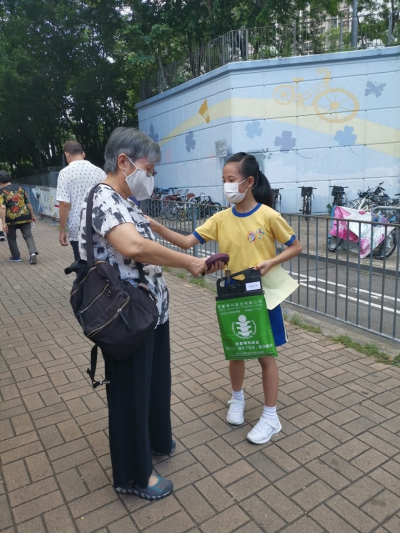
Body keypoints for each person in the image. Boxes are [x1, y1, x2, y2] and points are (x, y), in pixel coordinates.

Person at [78, 127, 218, 500]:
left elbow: (149, 239)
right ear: (123, 161)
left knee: (154, 383)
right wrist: (188, 262)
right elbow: (134, 247)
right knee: (130, 394)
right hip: (126, 317)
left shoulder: (125, 201)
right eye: (148, 169)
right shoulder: (104, 197)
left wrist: (188, 252)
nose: (151, 177)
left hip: (149, 311)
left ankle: (156, 441)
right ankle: (133, 476)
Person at [148, 152, 302, 445]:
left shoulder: (269, 216)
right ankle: (237, 398)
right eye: (224, 180)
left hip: (264, 296)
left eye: (231, 179)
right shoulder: (220, 219)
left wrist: (272, 261)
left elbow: (296, 246)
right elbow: (187, 242)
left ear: (249, 181)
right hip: (233, 295)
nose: (226, 186)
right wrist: (156, 226)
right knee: (236, 351)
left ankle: (271, 417)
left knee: (266, 356)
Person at [57, 140, 106, 261]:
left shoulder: (64, 173)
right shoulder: (100, 172)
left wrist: (62, 230)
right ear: (83, 153)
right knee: (102, 263)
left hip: (78, 227)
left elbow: (64, 204)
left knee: (82, 264)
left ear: (67, 154)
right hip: (100, 225)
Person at [0, 171, 39, 264]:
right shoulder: (21, 188)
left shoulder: (1, 192)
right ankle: (33, 253)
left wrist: (3, 222)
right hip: (25, 215)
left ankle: (16, 256)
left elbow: (2, 207)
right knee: (28, 235)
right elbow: (28, 203)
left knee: (11, 237)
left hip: (10, 218)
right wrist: (32, 215)